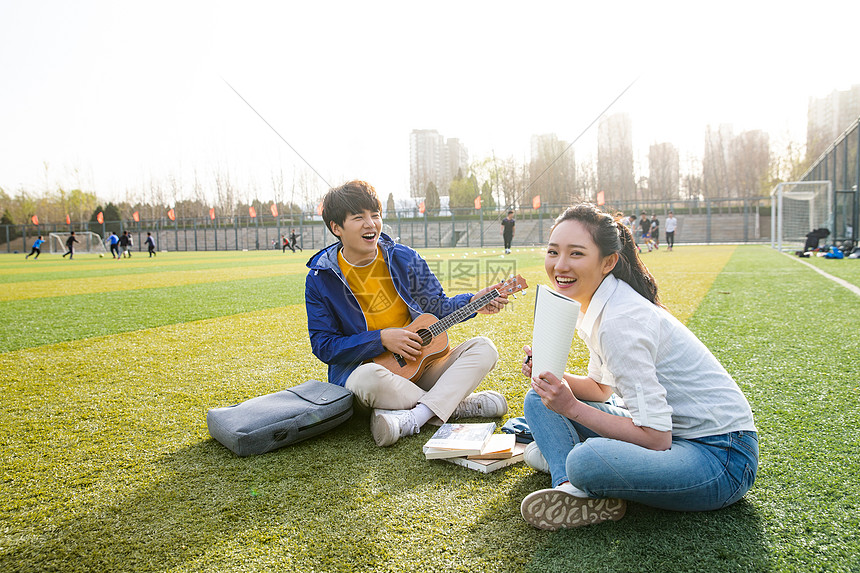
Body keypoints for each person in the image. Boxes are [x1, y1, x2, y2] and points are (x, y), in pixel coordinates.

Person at [518, 203, 757, 530]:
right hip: (673, 435)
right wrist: (551, 379)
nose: (560, 265)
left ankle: (574, 470)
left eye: (576, 254)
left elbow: (656, 438)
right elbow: (601, 390)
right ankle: (567, 488)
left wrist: (571, 408)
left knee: (586, 460)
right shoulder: (602, 303)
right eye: (553, 252)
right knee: (538, 398)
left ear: (608, 262)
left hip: (721, 456)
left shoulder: (620, 321)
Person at [305, 180, 509, 447]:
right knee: (368, 380)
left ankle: (416, 415)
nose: (371, 224)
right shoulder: (321, 279)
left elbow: (436, 306)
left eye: (375, 215)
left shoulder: (405, 258)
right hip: (369, 373)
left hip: (421, 366)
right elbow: (324, 345)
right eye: (359, 217)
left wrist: (473, 301)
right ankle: (457, 406)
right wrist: (381, 339)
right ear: (336, 228)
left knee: (484, 348)